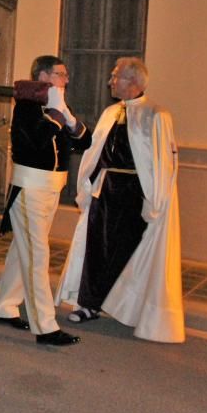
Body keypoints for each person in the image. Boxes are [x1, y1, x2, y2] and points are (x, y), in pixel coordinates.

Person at [56, 58, 184, 343]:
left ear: (134, 82)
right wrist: (88, 185)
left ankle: (123, 304)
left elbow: (163, 163)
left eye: (116, 77)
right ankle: (88, 303)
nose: (110, 82)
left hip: (135, 193)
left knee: (127, 251)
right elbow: (95, 151)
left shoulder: (156, 114)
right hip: (106, 189)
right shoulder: (111, 112)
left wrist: (156, 200)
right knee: (96, 248)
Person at [0, 55, 91, 346]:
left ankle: (4, 306)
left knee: (23, 250)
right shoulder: (27, 105)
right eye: (61, 74)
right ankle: (45, 326)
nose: (66, 79)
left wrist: (69, 118)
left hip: (50, 188)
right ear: (44, 76)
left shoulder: (58, 103)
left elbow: (84, 142)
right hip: (30, 189)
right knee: (37, 256)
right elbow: (33, 141)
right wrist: (58, 118)